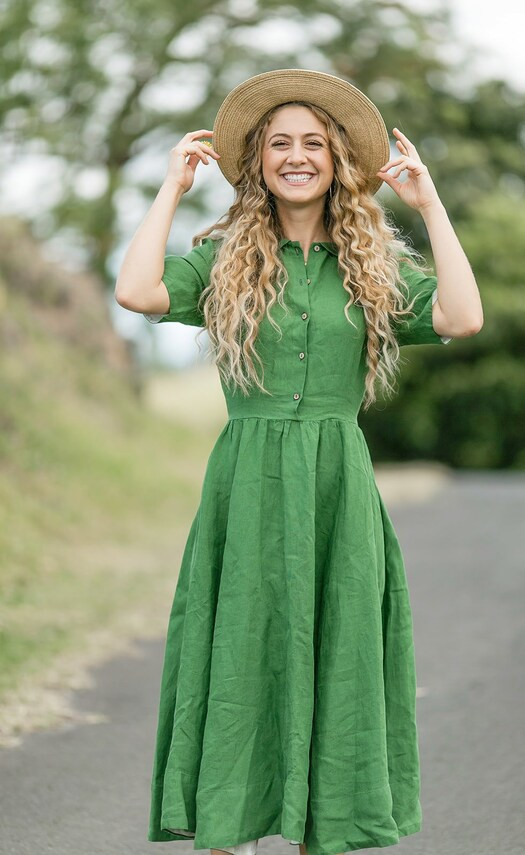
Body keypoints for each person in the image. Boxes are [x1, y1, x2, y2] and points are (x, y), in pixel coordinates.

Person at [115, 68, 483, 855]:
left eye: (312, 143)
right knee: (241, 653)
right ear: (257, 161)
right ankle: (230, 834)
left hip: (337, 488)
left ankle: (326, 832)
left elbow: (462, 313)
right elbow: (137, 291)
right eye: (279, 143)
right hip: (244, 483)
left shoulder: (371, 265)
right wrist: (172, 189)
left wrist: (428, 203)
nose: (295, 156)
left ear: (338, 157)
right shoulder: (225, 260)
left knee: (337, 655)